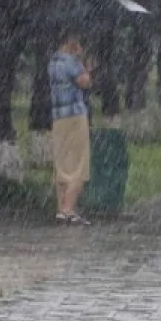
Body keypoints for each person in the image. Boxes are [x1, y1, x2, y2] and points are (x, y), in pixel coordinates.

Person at [48, 35, 93, 225]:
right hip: (75, 116)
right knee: (79, 166)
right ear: (74, 43)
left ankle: (61, 209)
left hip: (58, 117)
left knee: (63, 163)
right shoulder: (71, 62)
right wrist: (87, 68)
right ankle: (68, 209)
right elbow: (84, 82)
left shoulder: (53, 61)